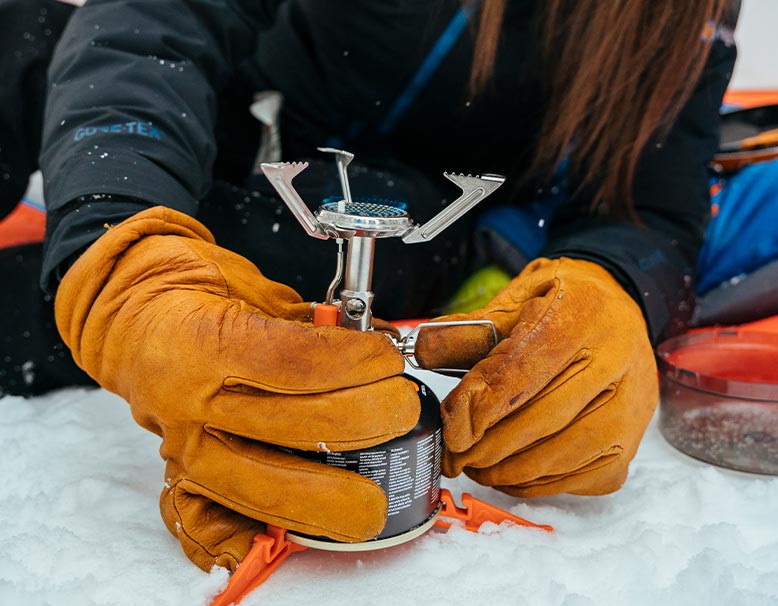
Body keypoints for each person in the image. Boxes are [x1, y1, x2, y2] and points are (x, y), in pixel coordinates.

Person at [0, 0, 740, 572]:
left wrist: (612, 289)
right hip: (240, 120)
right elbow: (152, 24)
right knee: (19, 39)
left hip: (413, 215)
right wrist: (117, 249)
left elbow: (648, 208)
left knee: (271, 271)